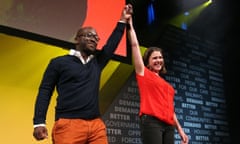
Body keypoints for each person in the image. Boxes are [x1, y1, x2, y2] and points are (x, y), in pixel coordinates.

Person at [32, 4, 133, 144]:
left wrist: (122, 20)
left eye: (96, 38)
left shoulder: (97, 63)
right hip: (69, 125)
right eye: (89, 35)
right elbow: (45, 91)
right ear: (77, 39)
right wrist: (39, 122)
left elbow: (112, 44)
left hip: (96, 125)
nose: (94, 39)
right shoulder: (58, 63)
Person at [127, 16, 189, 144]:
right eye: (154, 58)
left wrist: (180, 130)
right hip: (152, 122)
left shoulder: (167, 85)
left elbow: (171, 110)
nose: (158, 60)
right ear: (148, 62)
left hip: (169, 125)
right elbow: (134, 45)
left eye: (160, 57)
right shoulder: (144, 73)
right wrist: (131, 26)